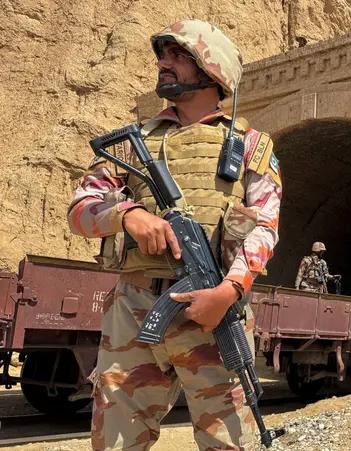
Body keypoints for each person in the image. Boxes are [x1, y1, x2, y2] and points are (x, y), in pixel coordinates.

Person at [67, 19, 282, 450]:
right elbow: (80, 212)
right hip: (134, 308)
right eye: (162, 55)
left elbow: (264, 227)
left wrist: (228, 292)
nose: (163, 64)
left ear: (213, 68)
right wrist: (128, 214)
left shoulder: (250, 146)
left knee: (230, 442)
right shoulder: (132, 145)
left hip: (215, 310)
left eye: (178, 55)